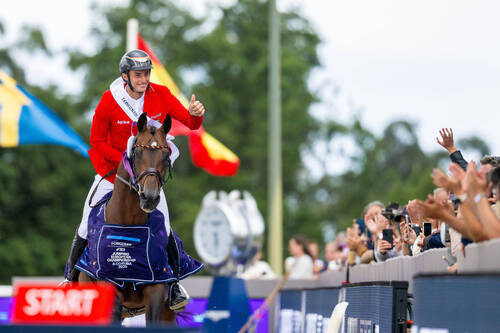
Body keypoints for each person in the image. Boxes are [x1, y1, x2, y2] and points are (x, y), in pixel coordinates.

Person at [63, 49, 205, 310]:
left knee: (166, 224)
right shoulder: (109, 100)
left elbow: (191, 124)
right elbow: (96, 143)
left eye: (146, 73)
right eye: (138, 74)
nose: (144, 79)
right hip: (111, 175)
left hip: (147, 177)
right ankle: (70, 279)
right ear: (125, 76)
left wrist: (196, 113)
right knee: (85, 222)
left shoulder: (161, 95)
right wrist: (124, 161)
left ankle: (173, 285)